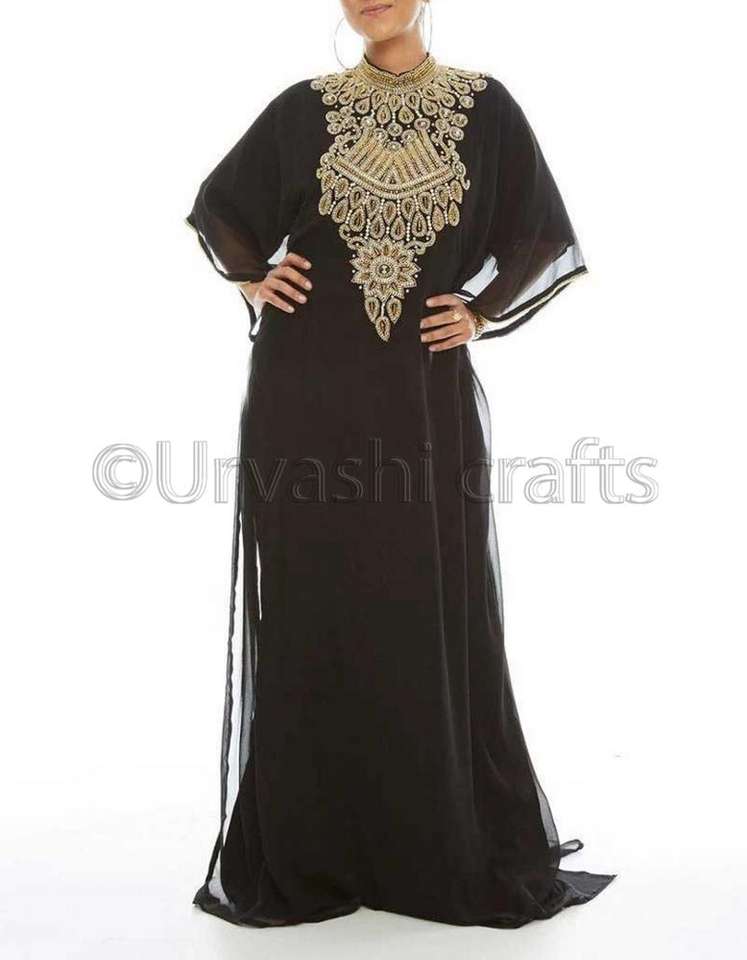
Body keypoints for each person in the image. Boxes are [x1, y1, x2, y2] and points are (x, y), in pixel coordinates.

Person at [186, 0, 615, 929]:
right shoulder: (303, 108)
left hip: (421, 398)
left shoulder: (484, 107)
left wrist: (479, 310)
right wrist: (255, 277)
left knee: (421, 588)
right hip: (304, 394)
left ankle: (428, 840)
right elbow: (222, 208)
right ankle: (317, 845)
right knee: (313, 596)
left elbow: (540, 235)